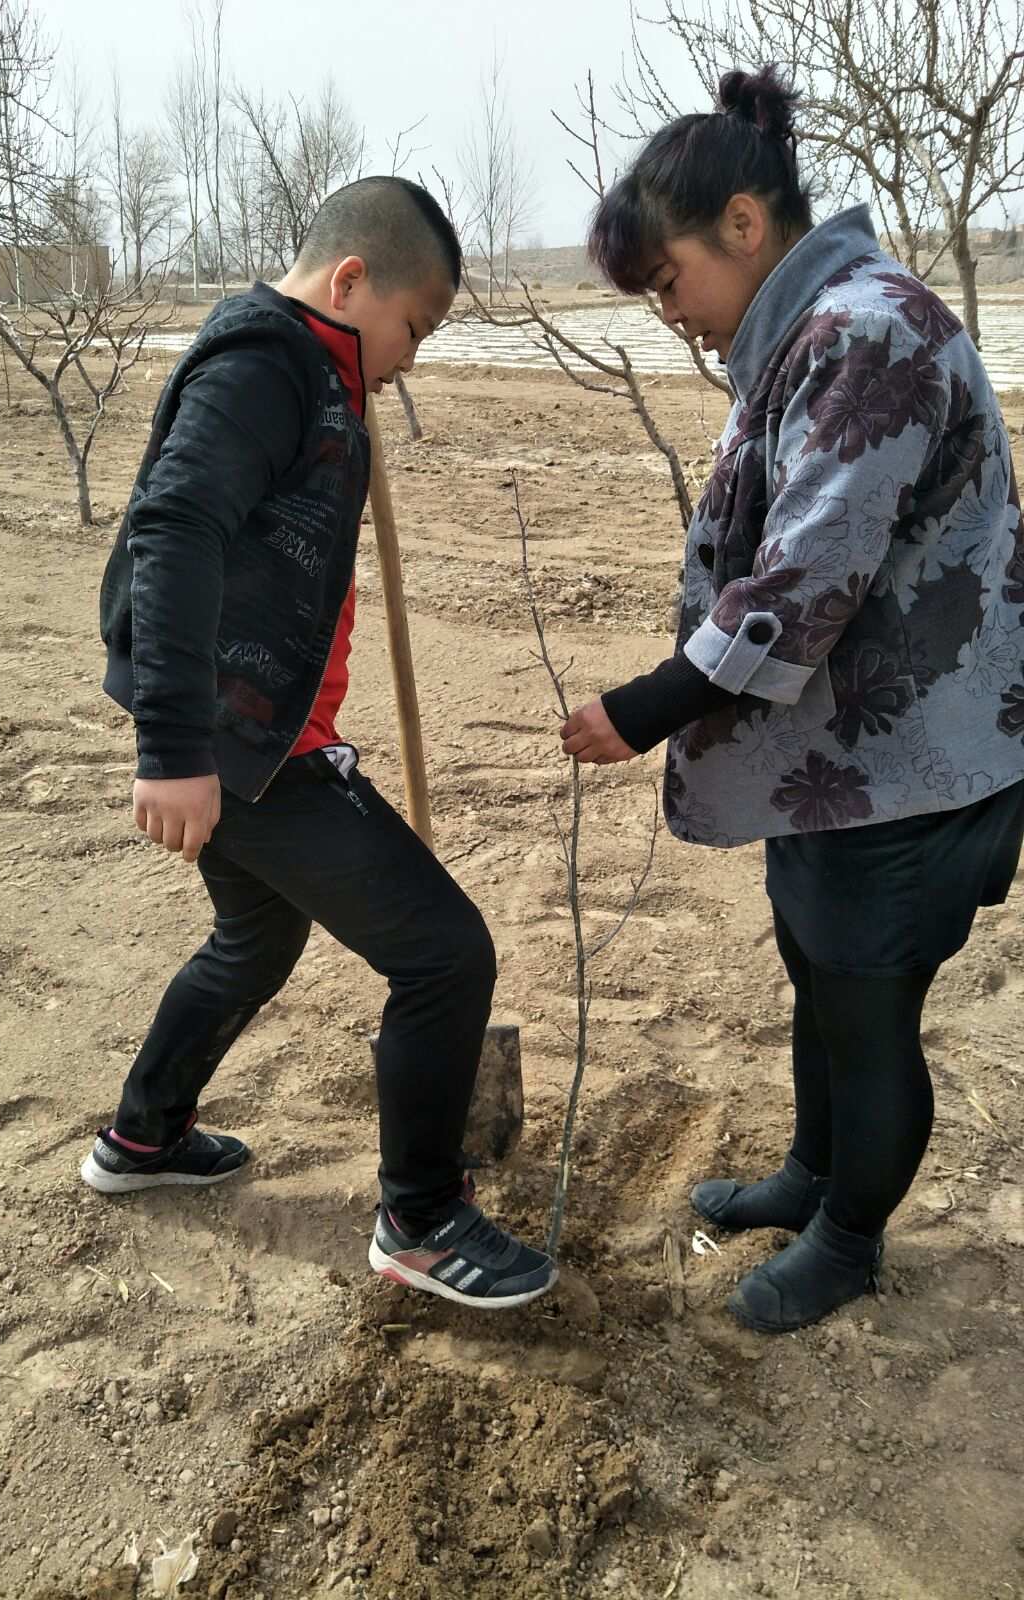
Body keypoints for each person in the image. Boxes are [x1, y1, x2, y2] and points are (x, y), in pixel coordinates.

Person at [560, 68, 1024, 1333]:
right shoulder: (814, 328)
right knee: (820, 969)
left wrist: (647, 705)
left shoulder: (864, 331)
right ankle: (815, 1177)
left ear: (746, 227)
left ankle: (851, 1240)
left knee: (867, 1002)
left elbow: (807, 577)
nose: (671, 314)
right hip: (848, 755)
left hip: (919, 760)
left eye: (668, 282)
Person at [84, 175, 556, 1311]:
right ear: (350, 281)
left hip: (259, 725)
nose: (412, 358)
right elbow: (176, 523)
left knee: (254, 941)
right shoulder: (264, 364)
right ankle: (422, 1218)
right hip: (241, 742)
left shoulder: (320, 369)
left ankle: (142, 1138)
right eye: (414, 328)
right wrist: (174, 748)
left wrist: (356, 397)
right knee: (446, 953)